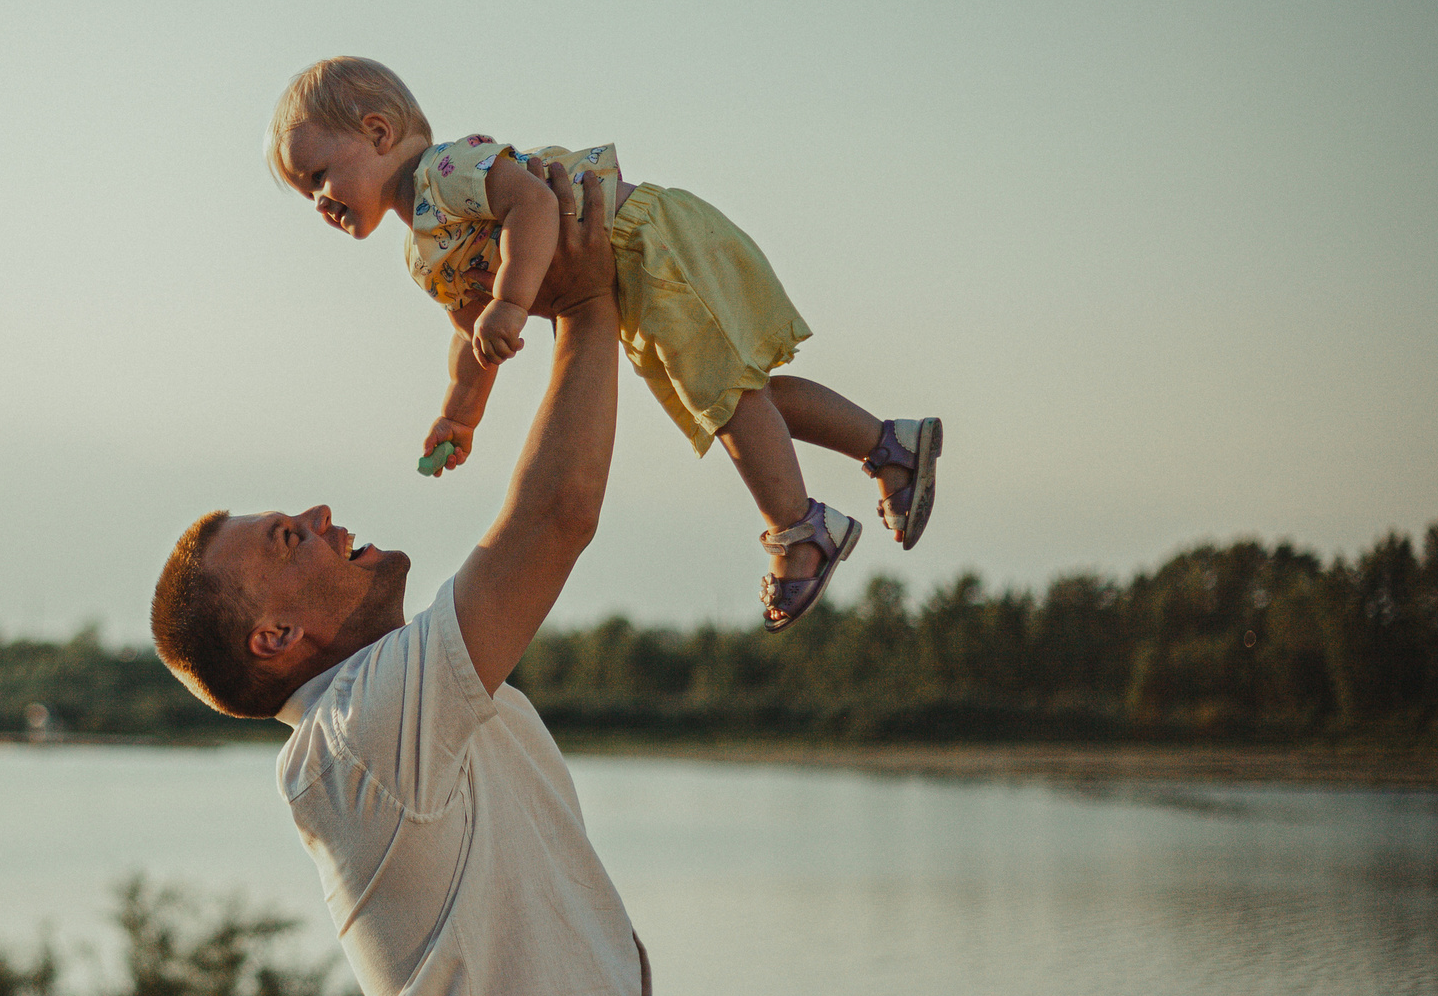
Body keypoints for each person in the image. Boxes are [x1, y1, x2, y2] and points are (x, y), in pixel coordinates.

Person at [151, 164, 674, 996]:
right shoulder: (358, 724)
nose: (324, 514)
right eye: (289, 536)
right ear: (279, 633)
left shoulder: (413, 704)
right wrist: (589, 309)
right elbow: (557, 516)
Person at [267, 54, 943, 632]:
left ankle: (799, 527)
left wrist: (510, 299)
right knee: (735, 393)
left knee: (725, 396)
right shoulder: (422, 252)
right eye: (306, 194)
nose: (318, 202)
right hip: (625, 276)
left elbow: (532, 204)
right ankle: (889, 445)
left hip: (643, 242)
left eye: (319, 177)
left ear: (378, 131)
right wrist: (461, 411)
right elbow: (473, 334)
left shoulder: (446, 173)